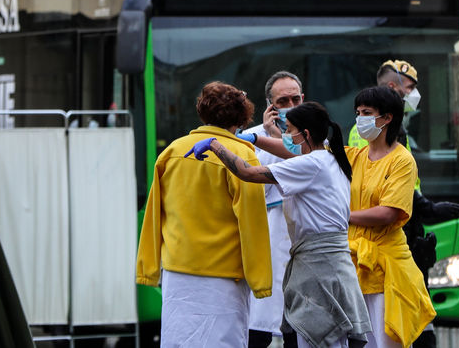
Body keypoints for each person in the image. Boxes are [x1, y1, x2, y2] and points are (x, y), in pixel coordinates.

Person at [195, 102, 372, 348]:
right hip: (330, 264)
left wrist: (215, 145)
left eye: (288, 130)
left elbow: (249, 173)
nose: (285, 135)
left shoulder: (311, 164)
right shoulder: (329, 157)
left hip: (319, 268)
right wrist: (255, 137)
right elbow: (288, 151)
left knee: (317, 336)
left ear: (306, 134)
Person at [135, 81, 272, 348]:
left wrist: (148, 270)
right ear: (241, 118)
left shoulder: (172, 152)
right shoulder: (243, 156)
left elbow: (153, 215)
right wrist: (261, 281)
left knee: (179, 340)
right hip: (223, 278)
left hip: (177, 274)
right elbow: (251, 222)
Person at [346, 85, 436, 348]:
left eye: (367, 112)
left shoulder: (402, 161)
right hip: (356, 265)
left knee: (384, 342)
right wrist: (262, 138)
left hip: (387, 270)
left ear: (387, 118)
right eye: (358, 112)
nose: (360, 118)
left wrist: (344, 216)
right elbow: (308, 154)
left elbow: (389, 213)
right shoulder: (356, 156)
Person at [241, 71, 306, 348]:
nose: (290, 104)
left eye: (295, 98)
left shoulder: (316, 140)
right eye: (283, 100)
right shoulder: (249, 139)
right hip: (265, 239)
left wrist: (283, 138)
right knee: (260, 324)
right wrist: (271, 136)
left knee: (298, 326)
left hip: (302, 243)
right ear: (270, 105)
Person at [347, 61, 421, 147]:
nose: (414, 93)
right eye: (410, 87)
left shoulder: (361, 128)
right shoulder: (381, 128)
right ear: (391, 87)